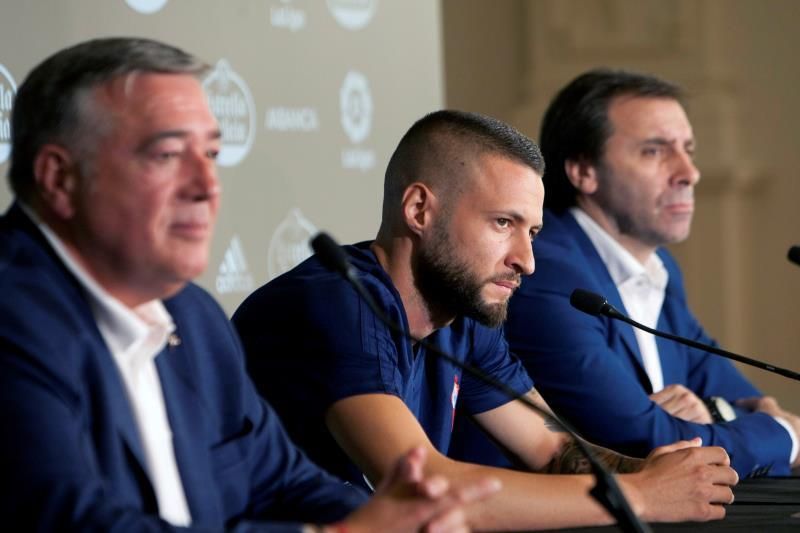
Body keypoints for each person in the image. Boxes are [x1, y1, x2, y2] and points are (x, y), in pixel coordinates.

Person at [0, 37, 498, 532]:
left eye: (212, 153)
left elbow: (281, 481)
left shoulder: (193, 316)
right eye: (168, 155)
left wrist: (410, 519)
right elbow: (72, 521)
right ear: (59, 178)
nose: (207, 185)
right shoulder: (13, 317)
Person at [233, 109, 739, 531]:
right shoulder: (338, 303)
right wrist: (641, 494)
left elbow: (551, 447)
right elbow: (424, 488)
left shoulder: (463, 314)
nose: (527, 261)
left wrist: (657, 470)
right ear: (419, 209)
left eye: (532, 232)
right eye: (503, 223)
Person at [494, 68, 800, 478]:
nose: (689, 173)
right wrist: (787, 435)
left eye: (688, 150)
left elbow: (741, 397)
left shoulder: (660, 269)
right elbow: (647, 444)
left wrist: (713, 412)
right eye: (654, 151)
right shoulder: (547, 273)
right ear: (584, 171)